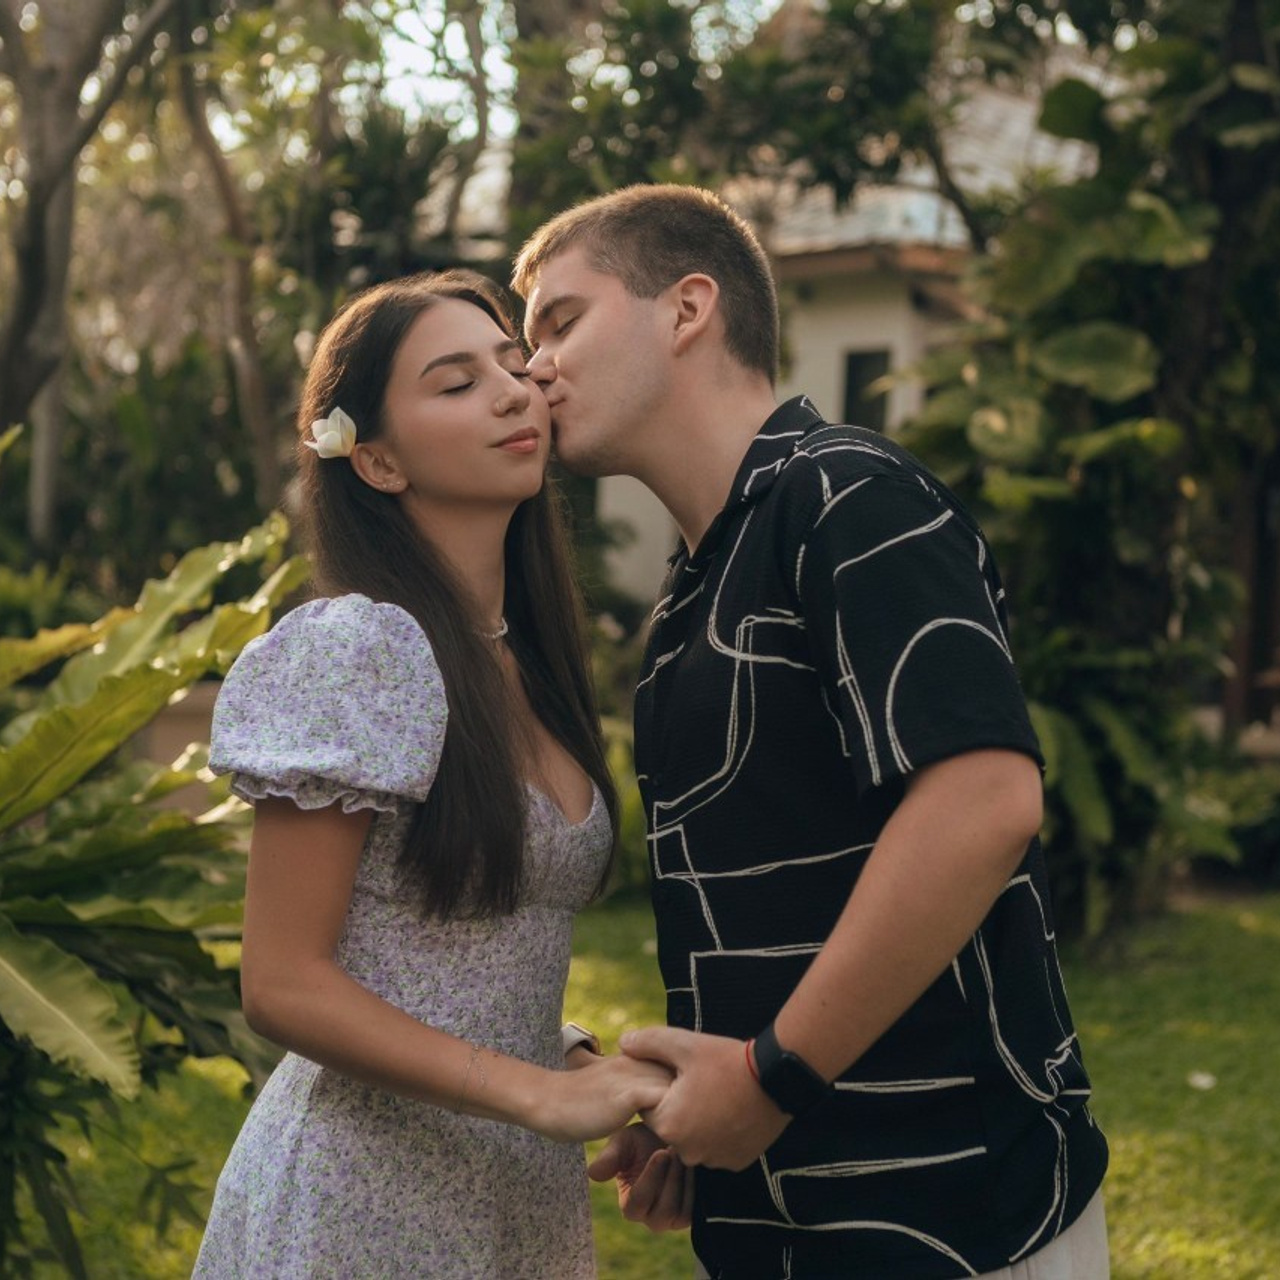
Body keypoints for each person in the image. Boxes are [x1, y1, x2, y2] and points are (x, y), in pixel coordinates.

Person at [513, 186, 1110, 1279]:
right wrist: (707, 1106)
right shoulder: (692, 593)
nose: (534, 367)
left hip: (954, 1218)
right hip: (784, 1228)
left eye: (560, 322)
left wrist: (769, 1078)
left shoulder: (846, 494)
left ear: (687, 307)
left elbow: (983, 801)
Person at [192, 270, 675, 1279]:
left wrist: (579, 1066)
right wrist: (538, 1094)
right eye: (457, 383)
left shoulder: (528, 659)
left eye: (512, 365)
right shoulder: (360, 648)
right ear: (374, 459)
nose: (512, 393)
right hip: (362, 1196)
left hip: (515, 1185)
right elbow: (281, 981)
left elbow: (470, 955)